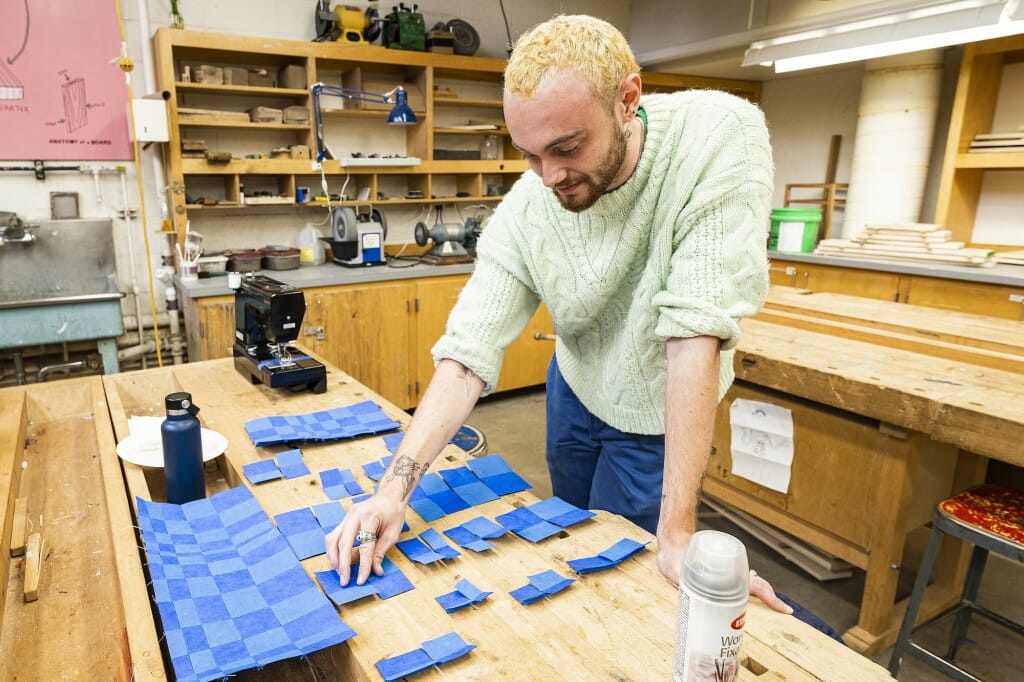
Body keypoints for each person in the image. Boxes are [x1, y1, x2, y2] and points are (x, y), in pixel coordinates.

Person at [326, 14, 791, 614]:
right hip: (574, 387)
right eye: (530, 155)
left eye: (568, 149)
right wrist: (392, 495)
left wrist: (677, 533)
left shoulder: (718, 136)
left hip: (657, 407)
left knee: (636, 572)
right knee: (577, 544)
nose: (549, 177)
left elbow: (695, 330)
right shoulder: (531, 205)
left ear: (628, 100)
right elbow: (468, 353)